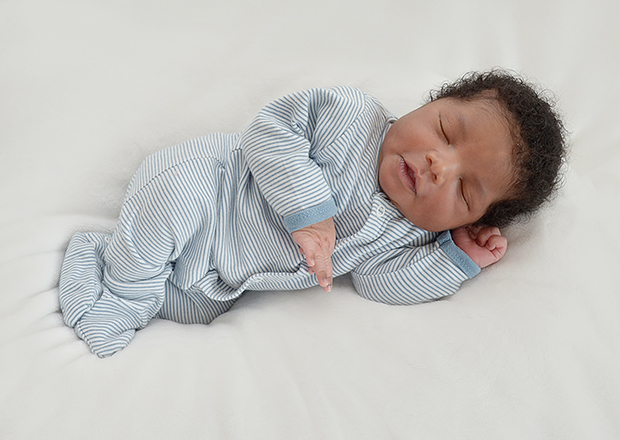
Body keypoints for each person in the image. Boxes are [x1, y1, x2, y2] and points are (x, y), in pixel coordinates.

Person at [59, 70, 566, 357]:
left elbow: (380, 284)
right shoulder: (352, 117)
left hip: (221, 273)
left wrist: (455, 258)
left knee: (190, 308)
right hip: (206, 189)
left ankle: (93, 259)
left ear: (466, 219)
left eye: (464, 190)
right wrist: (310, 214)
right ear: (429, 103)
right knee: (163, 221)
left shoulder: (410, 233)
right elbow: (268, 131)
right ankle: (121, 298)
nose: (439, 165)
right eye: (445, 131)